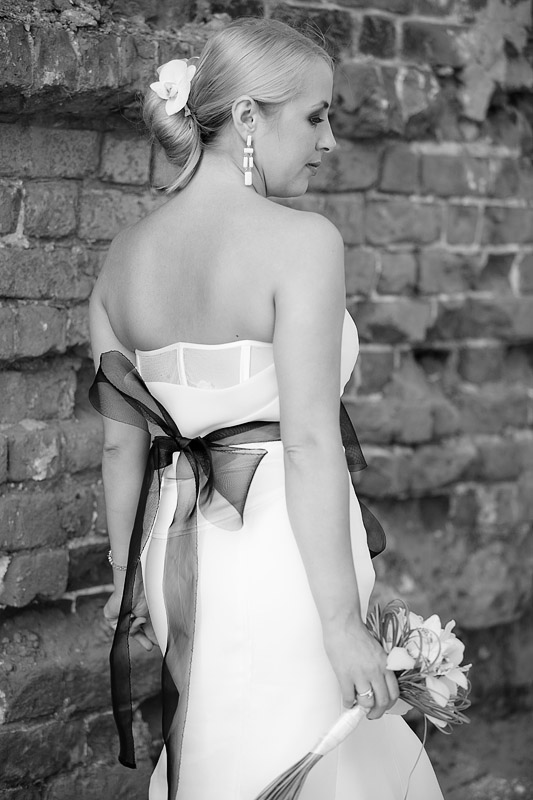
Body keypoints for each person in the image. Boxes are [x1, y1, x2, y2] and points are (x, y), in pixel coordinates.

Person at [89, 17, 444, 800]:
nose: (328, 141)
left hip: (174, 558)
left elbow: (121, 448)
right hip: (288, 558)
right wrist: (340, 623)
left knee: (220, 750)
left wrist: (123, 579)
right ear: (247, 116)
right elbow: (311, 444)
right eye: (315, 116)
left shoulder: (122, 259)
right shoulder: (302, 242)